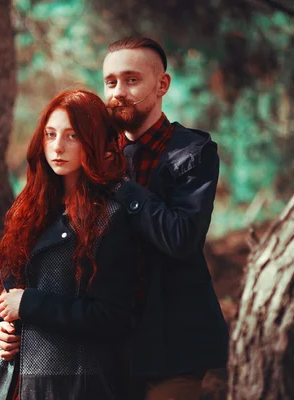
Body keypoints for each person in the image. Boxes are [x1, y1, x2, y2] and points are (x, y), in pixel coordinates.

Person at [0, 89, 138, 400]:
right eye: (50, 134)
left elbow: (112, 317)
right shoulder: (30, 208)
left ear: (93, 141)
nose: (57, 147)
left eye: (72, 136)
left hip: (73, 384)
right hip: (11, 379)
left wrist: (30, 305)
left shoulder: (111, 217)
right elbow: (9, 289)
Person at [103, 37, 229, 399]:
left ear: (162, 85)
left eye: (131, 80)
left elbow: (181, 237)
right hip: (109, 335)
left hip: (176, 338)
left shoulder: (194, 153)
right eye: (111, 82)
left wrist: (121, 185)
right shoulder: (95, 150)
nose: (119, 92)